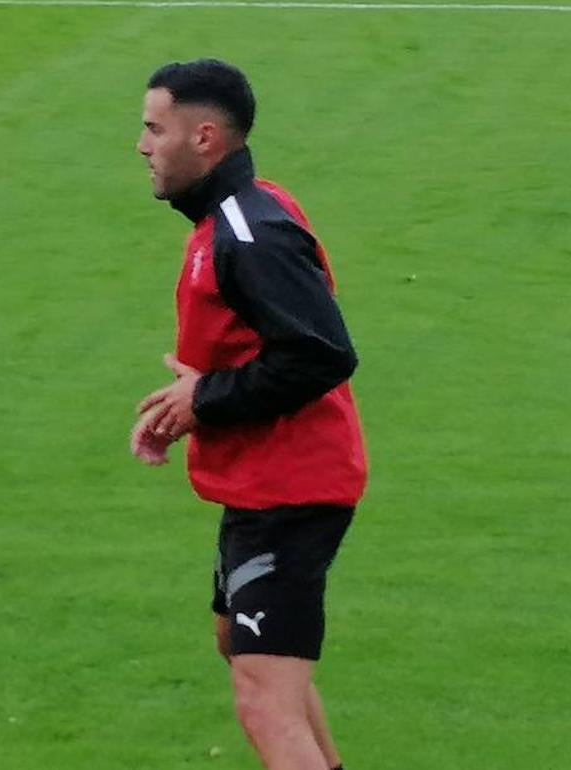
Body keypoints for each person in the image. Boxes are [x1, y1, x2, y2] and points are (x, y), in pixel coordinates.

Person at [130, 59, 368, 770]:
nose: (142, 145)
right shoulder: (229, 218)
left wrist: (204, 399)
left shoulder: (249, 233)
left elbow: (322, 354)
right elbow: (256, 353)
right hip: (260, 483)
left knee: (263, 697)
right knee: (239, 640)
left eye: (153, 128)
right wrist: (189, 402)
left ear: (204, 138)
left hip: (293, 492)